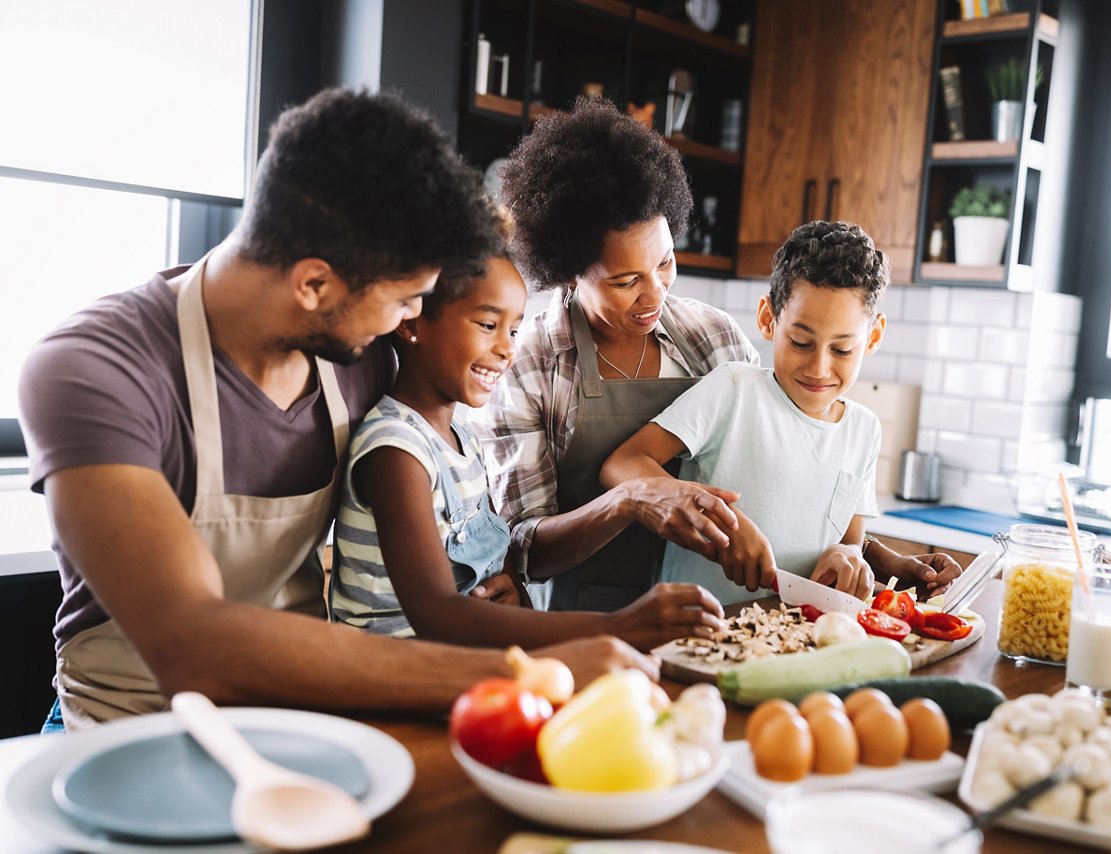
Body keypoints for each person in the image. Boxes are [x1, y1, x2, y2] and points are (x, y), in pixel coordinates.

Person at [18, 89, 654, 732]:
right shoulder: (91, 371)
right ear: (314, 284)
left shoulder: (361, 355)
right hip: (126, 725)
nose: (412, 319)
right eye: (407, 299)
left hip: (297, 717)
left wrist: (490, 583)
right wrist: (529, 669)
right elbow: (192, 646)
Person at [330, 220, 725, 650]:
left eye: (513, 329)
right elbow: (438, 614)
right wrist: (616, 628)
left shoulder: (460, 438)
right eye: (487, 325)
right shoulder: (397, 451)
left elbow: (480, 575)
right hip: (392, 674)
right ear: (411, 324)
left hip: (454, 661)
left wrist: (510, 586)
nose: (508, 349)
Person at [474, 97, 759, 614]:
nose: (655, 294)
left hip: (712, 611)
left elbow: (774, 467)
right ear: (569, 272)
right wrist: (629, 501)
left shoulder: (713, 339)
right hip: (581, 620)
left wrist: (862, 548)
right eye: (627, 281)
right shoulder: (529, 362)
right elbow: (524, 548)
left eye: (666, 263)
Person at [601, 221, 963, 605]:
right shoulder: (733, 390)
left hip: (795, 641)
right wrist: (719, 518)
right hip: (696, 632)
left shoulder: (864, 430)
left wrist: (846, 557)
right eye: (801, 342)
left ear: (872, 337)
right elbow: (622, 465)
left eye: (841, 350)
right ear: (768, 319)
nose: (819, 368)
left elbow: (848, 542)